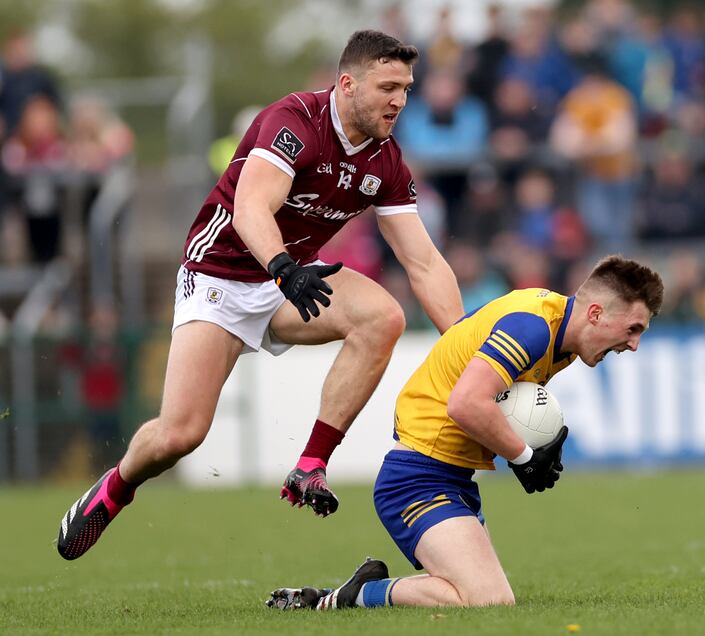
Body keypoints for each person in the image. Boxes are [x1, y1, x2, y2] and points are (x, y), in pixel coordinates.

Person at [57, 30, 463, 561]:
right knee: (180, 435)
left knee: (381, 318)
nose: (399, 101)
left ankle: (312, 464)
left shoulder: (386, 161)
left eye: (407, 89)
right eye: (388, 86)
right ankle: (117, 487)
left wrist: (466, 344)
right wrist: (283, 269)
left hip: (287, 278)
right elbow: (251, 208)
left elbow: (424, 261)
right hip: (220, 278)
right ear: (346, 84)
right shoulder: (293, 122)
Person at [267, 255, 663, 610]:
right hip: (415, 480)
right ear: (595, 313)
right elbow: (466, 403)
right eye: (632, 328)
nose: (634, 344)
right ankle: (351, 597)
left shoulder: (558, 333)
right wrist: (525, 457)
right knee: (488, 599)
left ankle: (359, 589)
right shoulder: (534, 327)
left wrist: (527, 448)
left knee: (467, 591)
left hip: (452, 478)